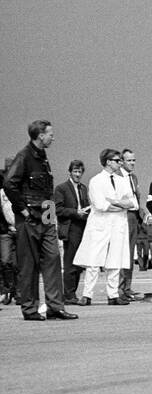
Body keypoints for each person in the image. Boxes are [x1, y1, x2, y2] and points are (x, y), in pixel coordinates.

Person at [3, 121, 77, 320]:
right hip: (29, 219)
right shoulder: (24, 156)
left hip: (45, 216)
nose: (53, 137)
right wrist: (23, 211)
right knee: (29, 265)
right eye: (50, 134)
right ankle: (30, 308)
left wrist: (51, 217)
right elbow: (10, 184)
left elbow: (44, 190)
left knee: (53, 258)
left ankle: (55, 306)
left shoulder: (42, 157)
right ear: (40, 135)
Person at [72, 149, 138, 305]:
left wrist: (115, 203)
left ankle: (113, 294)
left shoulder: (122, 181)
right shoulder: (96, 181)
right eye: (117, 160)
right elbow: (101, 205)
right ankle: (87, 295)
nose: (120, 163)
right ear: (108, 162)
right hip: (100, 224)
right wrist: (121, 205)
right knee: (94, 260)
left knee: (115, 260)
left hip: (118, 224)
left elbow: (133, 203)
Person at [54, 159, 90, 302]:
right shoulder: (61, 188)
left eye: (80, 172)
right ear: (70, 172)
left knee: (79, 263)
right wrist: (75, 212)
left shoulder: (83, 188)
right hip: (70, 227)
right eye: (75, 171)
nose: (77, 174)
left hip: (83, 226)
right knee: (70, 262)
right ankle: (68, 294)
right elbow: (58, 209)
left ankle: (72, 292)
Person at [117, 148, 148, 299]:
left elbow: (136, 198)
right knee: (123, 253)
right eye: (129, 160)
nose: (132, 163)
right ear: (122, 162)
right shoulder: (117, 177)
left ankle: (127, 287)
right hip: (124, 216)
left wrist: (143, 213)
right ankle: (120, 288)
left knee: (130, 253)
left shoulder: (133, 178)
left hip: (134, 216)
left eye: (133, 160)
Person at [0, 162, 15, 305]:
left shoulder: (21, 188)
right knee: (5, 262)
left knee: (20, 264)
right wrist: (7, 227)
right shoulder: (1, 191)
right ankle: (7, 290)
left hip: (21, 229)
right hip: (6, 231)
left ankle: (18, 293)